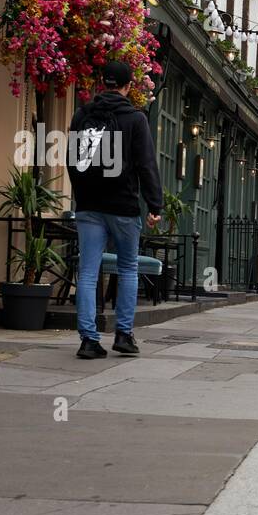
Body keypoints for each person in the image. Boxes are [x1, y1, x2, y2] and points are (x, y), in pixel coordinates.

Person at [66, 60, 163, 360]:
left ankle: (88, 340)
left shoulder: (82, 114)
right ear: (128, 86)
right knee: (128, 268)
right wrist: (154, 204)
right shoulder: (135, 119)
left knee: (88, 272)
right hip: (123, 205)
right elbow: (146, 165)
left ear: (102, 83)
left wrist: (81, 193)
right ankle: (123, 335)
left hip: (89, 206)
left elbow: (72, 159)